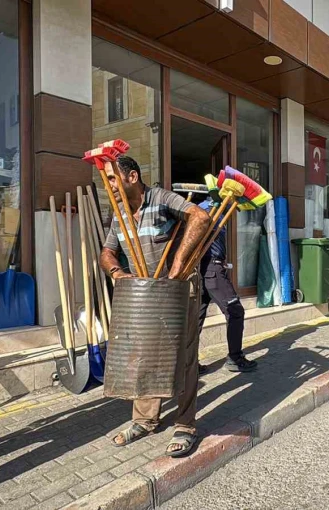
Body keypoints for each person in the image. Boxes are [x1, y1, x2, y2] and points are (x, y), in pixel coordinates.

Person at [99, 156, 211, 458]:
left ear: (132, 177)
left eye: (112, 178)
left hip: (178, 288)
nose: (108, 185)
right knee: (144, 352)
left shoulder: (162, 199)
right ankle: (145, 420)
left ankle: (185, 425)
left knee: (183, 356)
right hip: (144, 293)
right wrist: (116, 272)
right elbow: (107, 251)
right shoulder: (120, 213)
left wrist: (178, 266)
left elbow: (200, 218)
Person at [196, 197, 257, 374]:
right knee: (235, 311)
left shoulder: (208, 208)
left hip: (204, 268)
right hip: (212, 270)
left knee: (196, 317)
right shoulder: (211, 209)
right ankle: (235, 358)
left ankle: (189, 364)